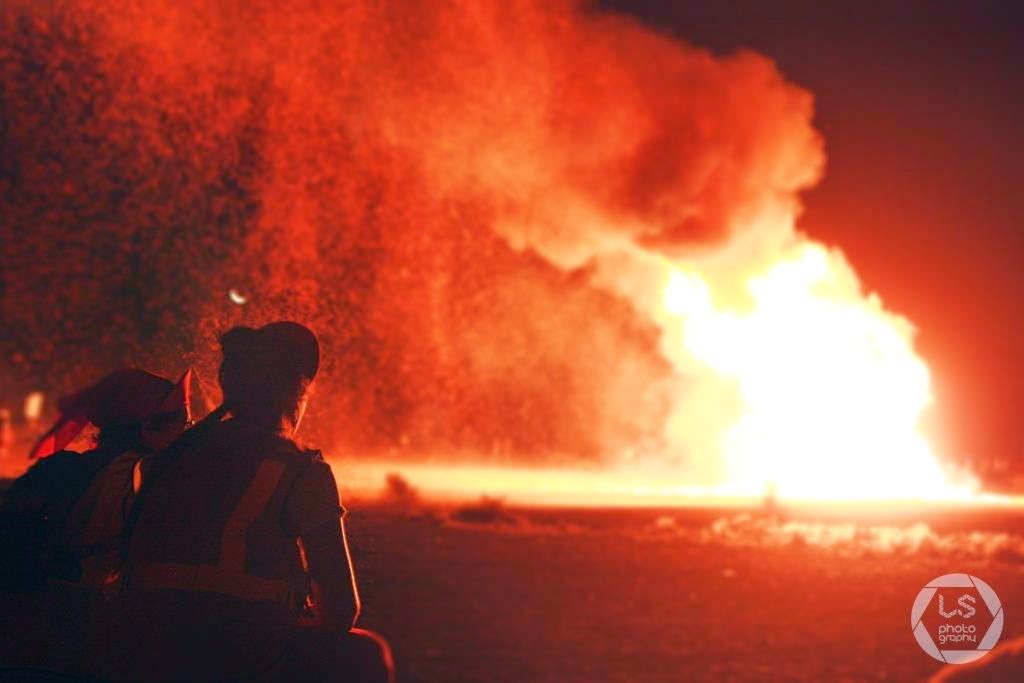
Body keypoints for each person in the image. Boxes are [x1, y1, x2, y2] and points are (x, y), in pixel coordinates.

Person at [108, 322, 394, 683]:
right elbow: (340, 611)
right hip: (232, 656)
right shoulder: (300, 470)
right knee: (366, 655)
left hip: (141, 652)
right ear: (295, 393)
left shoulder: (169, 459)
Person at [0, 368, 191, 674]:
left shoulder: (57, 468)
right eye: (180, 420)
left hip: (21, 630)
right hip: (83, 631)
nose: (186, 429)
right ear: (148, 427)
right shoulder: (137, 476)